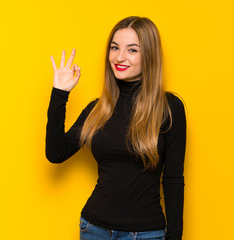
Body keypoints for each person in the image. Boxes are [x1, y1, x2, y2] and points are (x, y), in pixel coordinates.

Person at [46, 16, 186, 240]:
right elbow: (55, 154)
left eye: (132, 50)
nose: (119, 57)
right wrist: (60, 94)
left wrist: (175, 237)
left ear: (149, 56)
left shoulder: (169, 108)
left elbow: (173, 179)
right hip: (93, 229)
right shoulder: (98, 109)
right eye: (114, 47)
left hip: (145, 234)